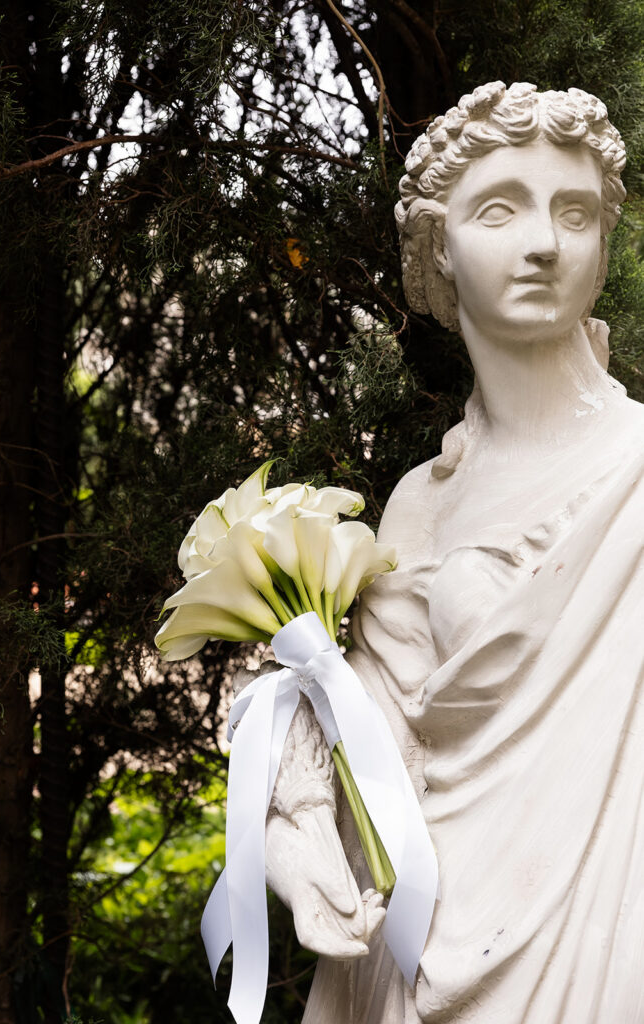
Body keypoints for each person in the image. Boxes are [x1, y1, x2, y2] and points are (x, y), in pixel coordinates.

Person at [265, 82, 644, 1024]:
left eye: (575, 212)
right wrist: (298, 833)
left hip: (609, 931)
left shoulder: (634, 467)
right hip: (419, 945)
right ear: (440, 245)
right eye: (498, 209)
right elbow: (378, 752)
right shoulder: (418, 508)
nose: (544, 242)